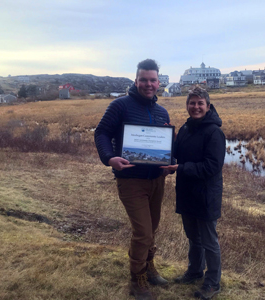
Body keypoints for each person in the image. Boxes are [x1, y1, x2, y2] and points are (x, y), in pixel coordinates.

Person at [94, 59, 170, 300]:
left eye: (153, 80)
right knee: (143, 232)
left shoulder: (161, 112)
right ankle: (136, 279)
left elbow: (165, 145)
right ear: (136, 81)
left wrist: (170, 161)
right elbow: (102, 132)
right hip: (131, 181)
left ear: (159, 82)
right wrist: (109, 158)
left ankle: (149, 266)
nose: (148, 84)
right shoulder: (120, 106)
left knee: (152, 228)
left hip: (157, 180)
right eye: (144, 80)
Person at [161, 86, 226, 300]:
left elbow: (212, 167)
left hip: (206, 195)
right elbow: (177, 154)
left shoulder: (214, 132)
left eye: (200, 103)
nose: (196, 107)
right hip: (187, 192)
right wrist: (168, 137)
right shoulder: (187, 128)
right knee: (193, 238)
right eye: (192, 103)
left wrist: (181, 168)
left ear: (208, 106)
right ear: (187, 105)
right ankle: (195, 271)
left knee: (208, 241)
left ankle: (213, 282)